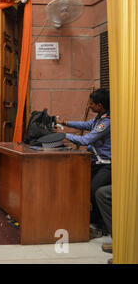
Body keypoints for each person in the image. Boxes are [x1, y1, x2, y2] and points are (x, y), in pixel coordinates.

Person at [57, 89, 111, 236]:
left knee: (95, 191)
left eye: (92, 103)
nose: (90, 106)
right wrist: (65, 122)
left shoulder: (106, 122)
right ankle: (94, 220)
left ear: (100, 105)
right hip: (96, 162)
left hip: (106, 165)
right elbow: (86, 125)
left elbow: (85, 140)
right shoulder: (100, 118)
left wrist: (62, 134)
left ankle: (105, 225)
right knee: (85, 189)